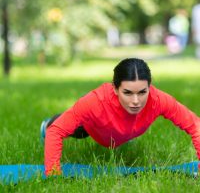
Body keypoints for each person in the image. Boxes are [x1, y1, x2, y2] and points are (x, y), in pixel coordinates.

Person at [42, 58, 200, 176]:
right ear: (115, 89)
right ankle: (47, 122)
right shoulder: (94, 102)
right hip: (93, 126)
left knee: (123, 130)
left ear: (149, 87)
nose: (136, 101)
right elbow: (56, 132)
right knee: (76, 129)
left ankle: (124, 134)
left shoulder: (159, 100)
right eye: (128, 93)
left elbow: (195, 125)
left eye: (142, 92)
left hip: (123, 131)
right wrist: (54, 174)